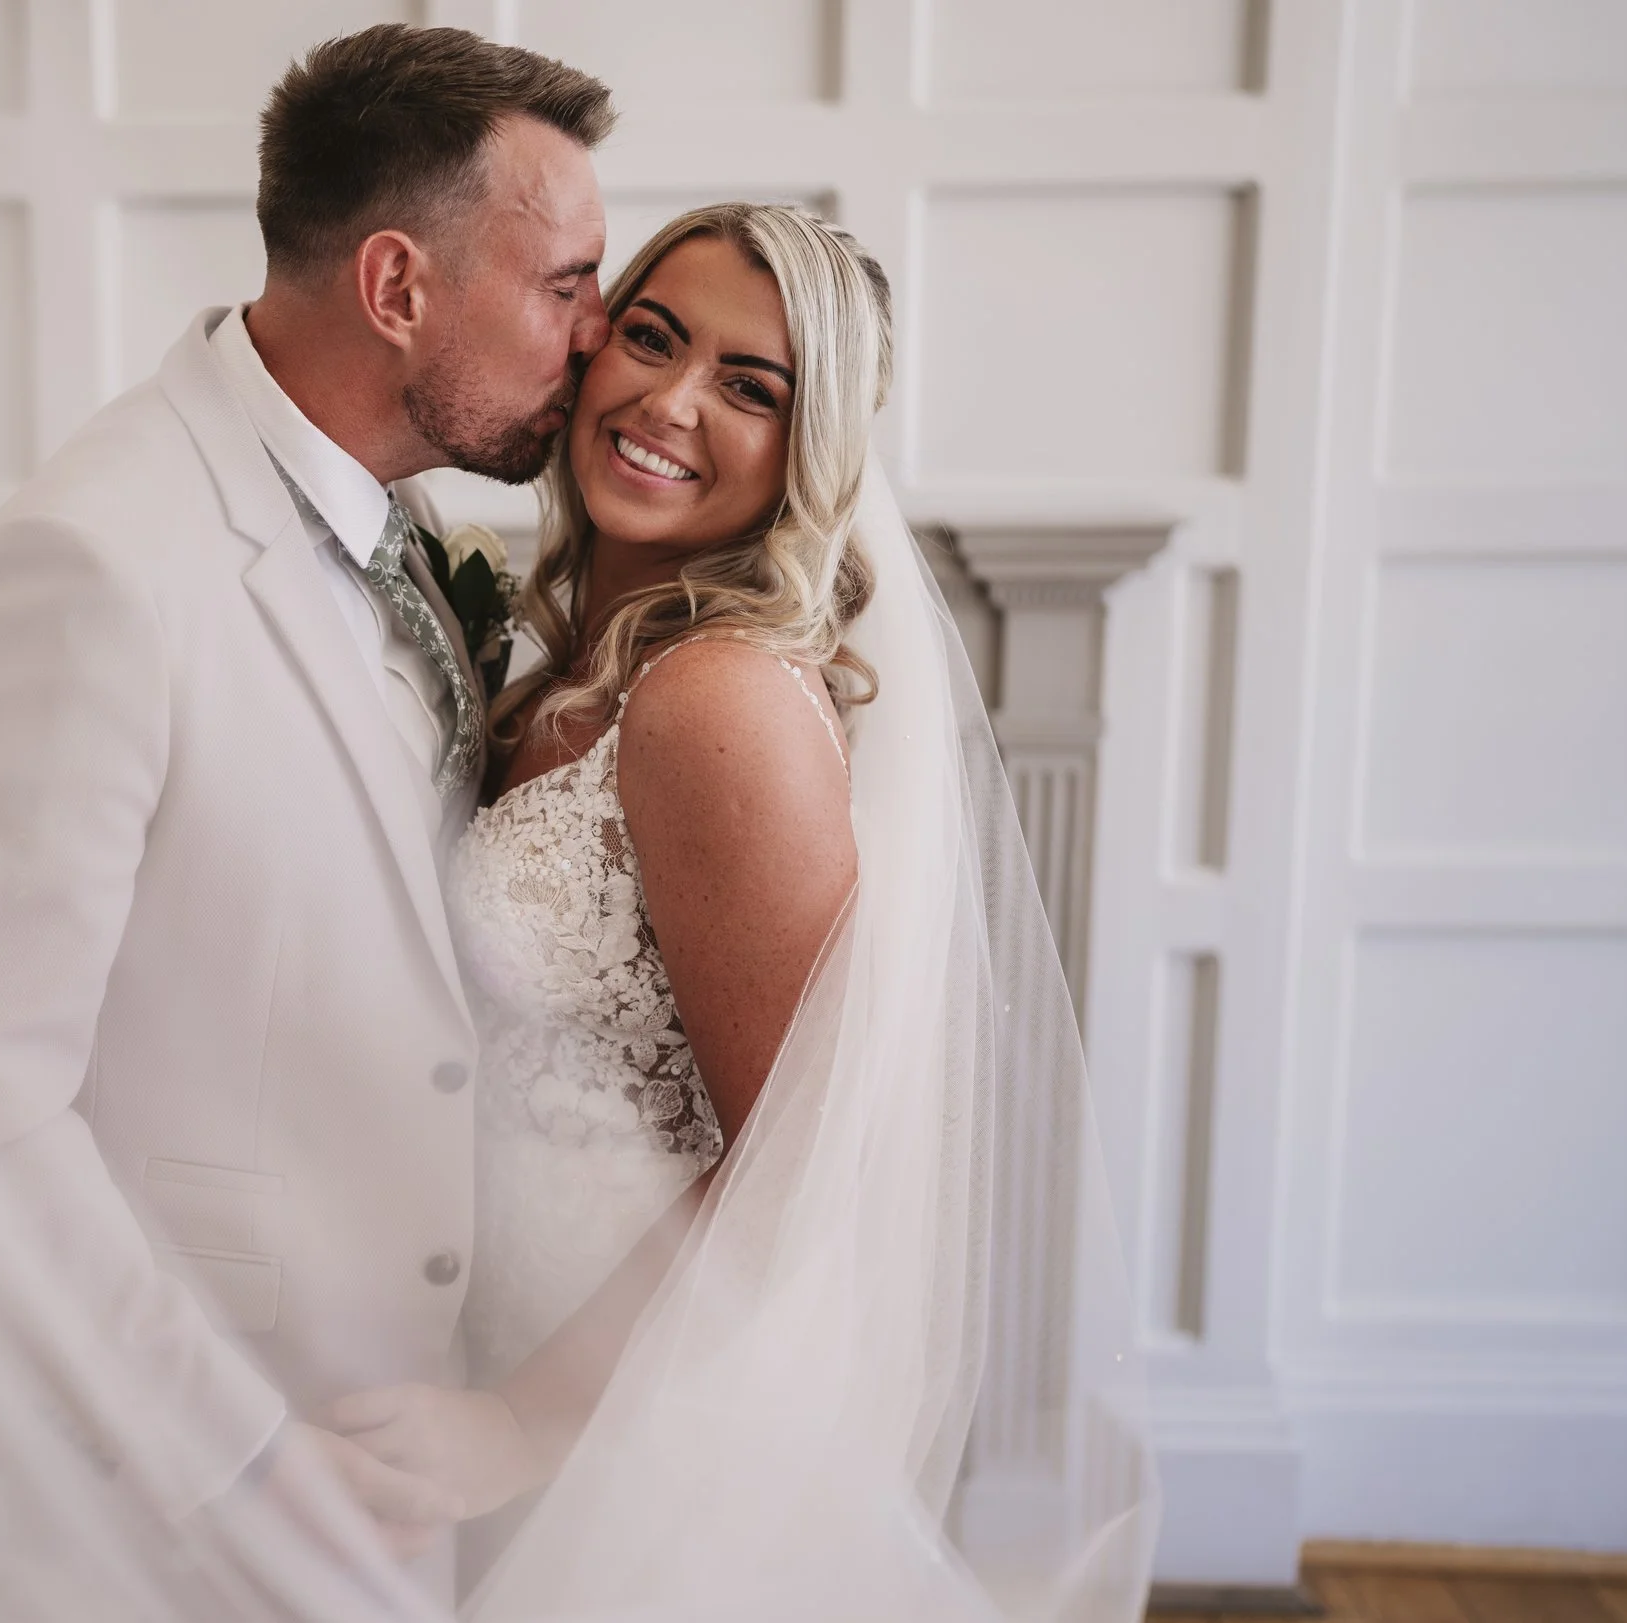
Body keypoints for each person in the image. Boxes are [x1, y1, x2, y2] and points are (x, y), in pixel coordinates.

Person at [0, 23, 614, 1601]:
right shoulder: (90, 568)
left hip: (394, 1478)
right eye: (566, 283)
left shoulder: (396, 521)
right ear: (397, 287)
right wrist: (248, 1455)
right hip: (146, 1518)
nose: (597, 337)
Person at [324, 205, 1160, 1619]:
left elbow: (804, 1152)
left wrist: (522, 1423)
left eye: (750, 387)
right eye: (652, 338)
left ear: (805, 451)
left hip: (642, 1427)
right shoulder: (561, 671)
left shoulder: (715, 702)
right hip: (494, 1354)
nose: (670, 401)